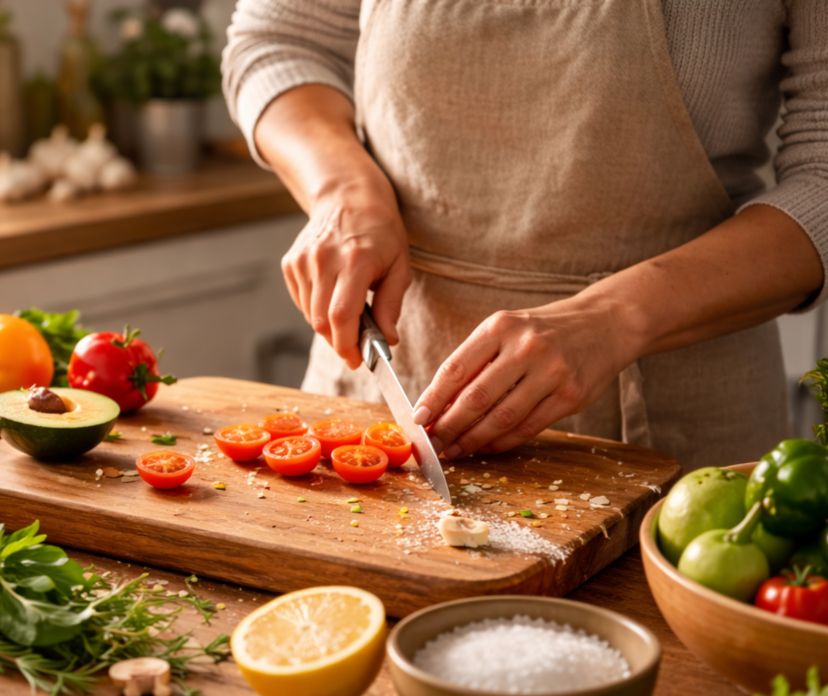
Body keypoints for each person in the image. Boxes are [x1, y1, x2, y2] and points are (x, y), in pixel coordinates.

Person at [222, 0, 827, 471]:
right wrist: (342, 190)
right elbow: (280, 40)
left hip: (674, 416)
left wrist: (614, 318)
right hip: (383, 372)